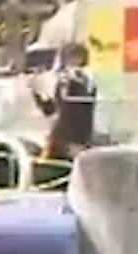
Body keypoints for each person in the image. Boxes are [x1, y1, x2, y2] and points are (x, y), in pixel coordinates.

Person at [33, 43, 96, 188]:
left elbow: (81, 106)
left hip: (75, 136)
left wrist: (72, 81)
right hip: (60, 136)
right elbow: (52, 110)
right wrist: (37, 95)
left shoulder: (83, 80)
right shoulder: (65, 82)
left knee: (75, 177)